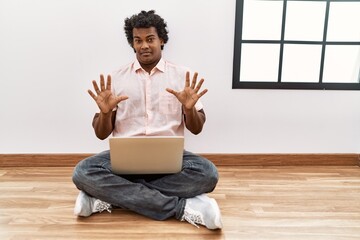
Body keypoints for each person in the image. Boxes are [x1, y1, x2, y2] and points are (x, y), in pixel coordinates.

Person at [72, 10, 222, 230]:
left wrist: (189, 109)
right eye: (138, 40)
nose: (144, 46)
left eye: (150, 39)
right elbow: (101, 133)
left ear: (162, 40)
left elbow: (197, 128)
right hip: (124, 160)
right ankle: (183, 207)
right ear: (132, 44)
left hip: (169, 161)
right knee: (82, 172)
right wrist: (105, 113)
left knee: (208, 174)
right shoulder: (116, 78)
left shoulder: (182, 76)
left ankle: (107, 197)